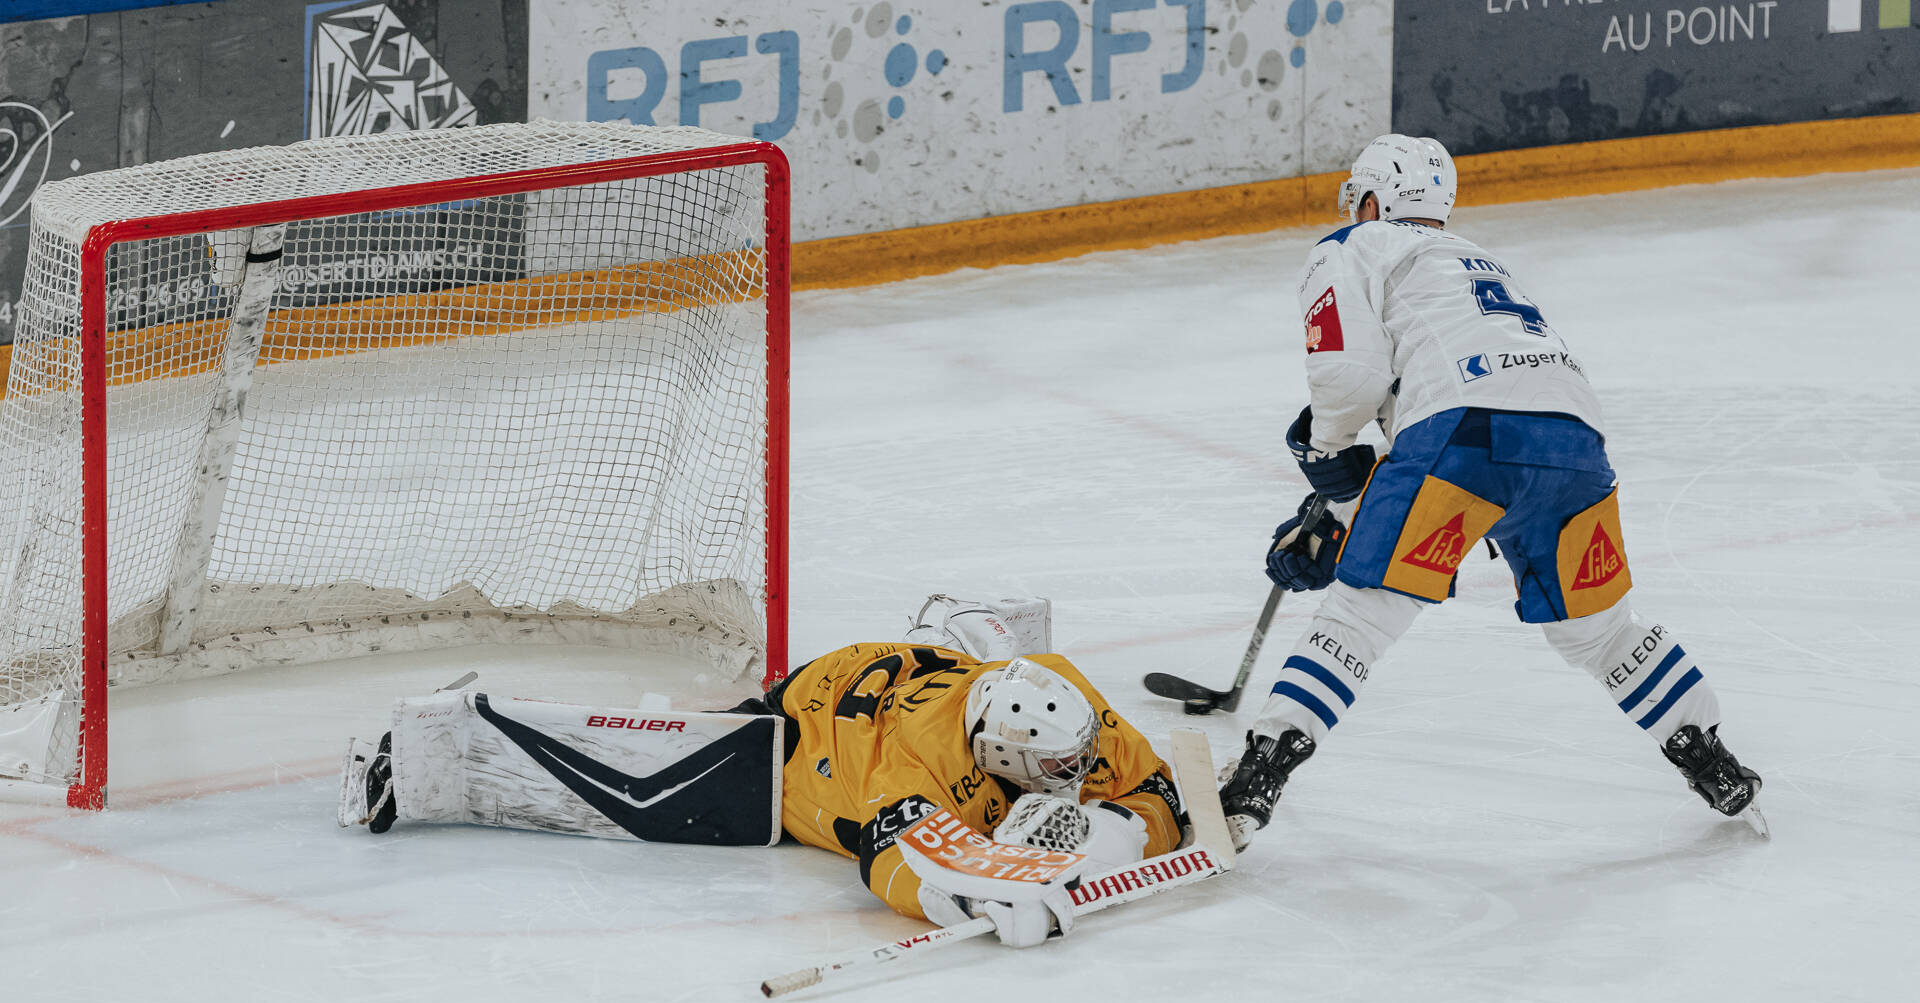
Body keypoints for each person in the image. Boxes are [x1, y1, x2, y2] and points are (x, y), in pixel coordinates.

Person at [1219, 134, 1764, 847]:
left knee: (1361, 617)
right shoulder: (1474, 260)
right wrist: (1349, 514)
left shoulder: (1356, 245)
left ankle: (1256, 778)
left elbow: (1351, 379)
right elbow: (1446, 399)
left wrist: (1324, 458)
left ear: (1373, 200)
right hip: (1575, 445)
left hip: (1465, 438)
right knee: (1602, 631)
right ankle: (1711, 759)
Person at [340, 596, 1187, 946]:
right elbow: (893, 861)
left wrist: (1109, 830)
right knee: (646, 792)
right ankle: (415, 756)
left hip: (899, 669)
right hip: (810, 733)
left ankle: (958, 622)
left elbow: (1153, 791)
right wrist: (975, 896)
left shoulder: (1056, 694)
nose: (1078, 769)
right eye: (1056, 767)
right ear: (1000, 755)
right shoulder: (912, 763)